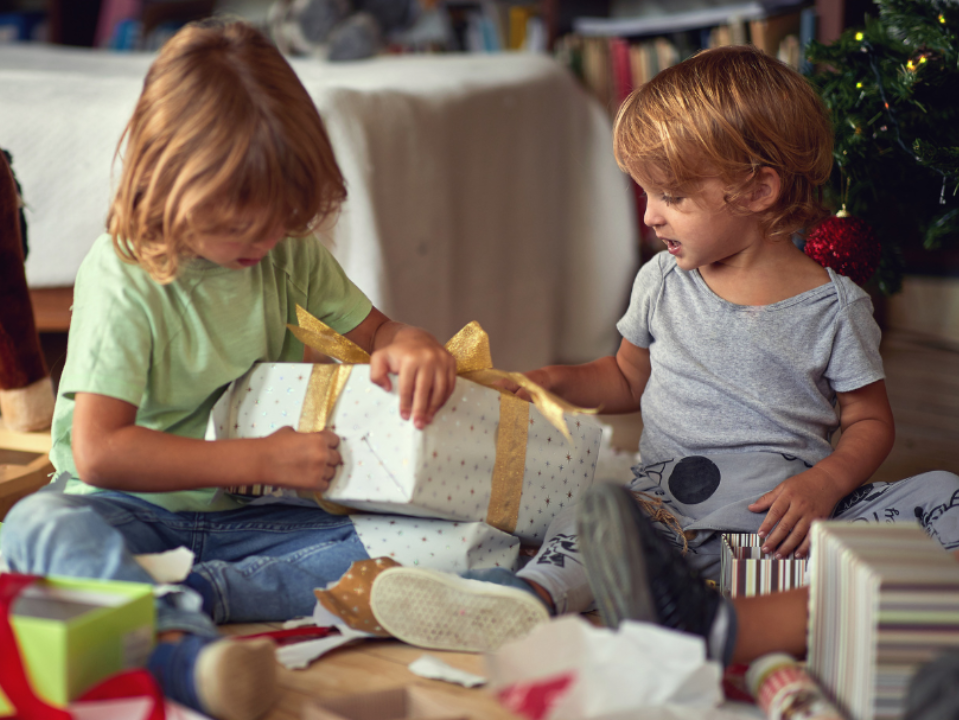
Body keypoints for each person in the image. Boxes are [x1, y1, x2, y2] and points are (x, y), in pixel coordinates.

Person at [363, 45, 959, 667]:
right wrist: (546, 382)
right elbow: (624, 377)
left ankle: (797, 606)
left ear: (758, 189)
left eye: (670, 196)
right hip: (666, 511)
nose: (649, 216)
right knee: (590, 521)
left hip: (784, 525)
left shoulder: (834, 308)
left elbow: (868, 421)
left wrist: (824, 483)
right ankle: (524, 599)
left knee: (944, 492)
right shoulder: (661, 281)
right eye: (645, 193)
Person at [0, 19, 458, 720]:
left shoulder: (286, 250)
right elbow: (100, 450)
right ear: (168, 181)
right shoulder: (125, 278)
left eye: (279, 223)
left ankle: (189, 598)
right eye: (239, 227)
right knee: (40, 524)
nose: (264, 242)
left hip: (255, 518)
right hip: (128, 511)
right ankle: (184, 652)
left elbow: (378, 332)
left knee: (445, 542)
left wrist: (410, 342)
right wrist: (258, 457)